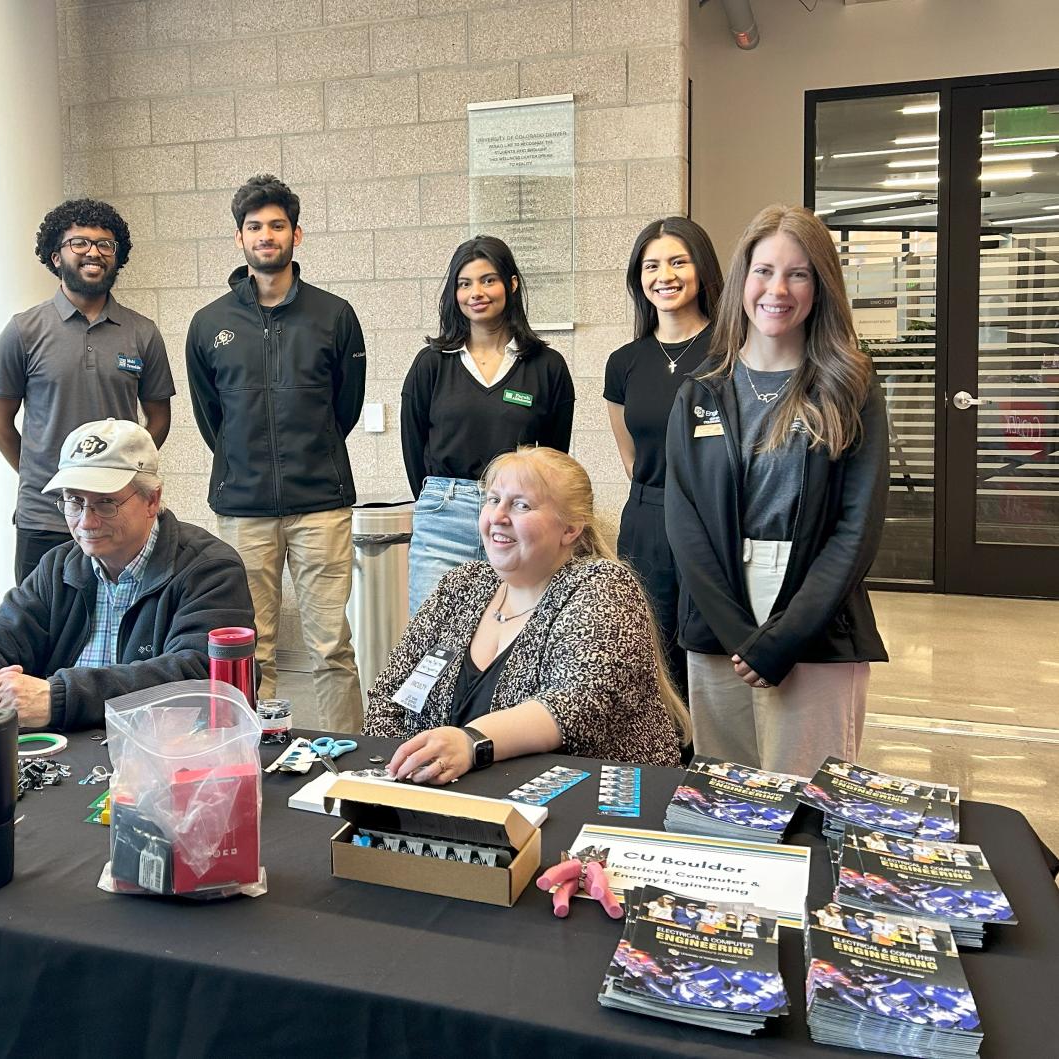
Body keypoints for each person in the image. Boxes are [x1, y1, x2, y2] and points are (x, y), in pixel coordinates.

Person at [664, 204, 889, 776]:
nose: (778, 289)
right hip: (719, 619)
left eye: (799, 273)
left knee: (810, 802)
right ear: (742, 279)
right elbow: (685, 523)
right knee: (726, 804)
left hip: (815, 617)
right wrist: (741, 636)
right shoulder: (700, 393)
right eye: (764, 270)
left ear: (821, 287)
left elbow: (855, 529)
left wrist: (783, 639)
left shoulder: (851, 387)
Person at [364, 447, 688, 784]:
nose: (498, 516)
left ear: (570, 529)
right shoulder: (462, 585)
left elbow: (575, 706)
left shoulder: (601, 586)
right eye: (492, 500)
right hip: (451, 809)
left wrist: (471, 741)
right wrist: (399, 777)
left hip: (593, 812)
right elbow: (389, 697)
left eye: (521, 505)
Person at [185, 174, 367, 732]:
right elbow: (209, 415)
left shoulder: (333, 316)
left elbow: (347, 407)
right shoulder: (209, 323)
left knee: (331, 646)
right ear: (240, 239)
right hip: (243, 509)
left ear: (297, 235)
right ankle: (249, 754)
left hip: (320, 504)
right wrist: (247, 465)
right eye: (255, 227)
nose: (267, 236)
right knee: (250, 649)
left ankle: (347, 760)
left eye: (277, 226)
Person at [0, 419, 253, 731]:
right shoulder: (59, 566)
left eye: (106, 503)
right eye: (74, 501)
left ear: (151, 500)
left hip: (164, 756)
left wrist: (59, 698)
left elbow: (201, 677)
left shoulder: (210, 569)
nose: (86, 522)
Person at [0, 198, 175, 583]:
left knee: (118, 625)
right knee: (42, 633)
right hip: (45, 517)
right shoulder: (23, 331)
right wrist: (42, 475)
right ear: (56, 256)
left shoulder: (142, 332)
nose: (94, 252)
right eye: (80, 243)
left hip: (119, 513)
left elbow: (158, 419)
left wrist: (128, 476)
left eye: (105, 244)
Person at [401, 235, 575, 613]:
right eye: (464, 284)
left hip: (520, 519)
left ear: (511, 285)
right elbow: (414, 448)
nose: (475, 292)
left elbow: (555, 456)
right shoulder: (431, 363)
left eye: (487, 280)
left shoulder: (547, 366)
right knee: (433, 642)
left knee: (513, 639)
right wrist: (444, 498)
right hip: (444, 517)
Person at [604, 217, 724, 695]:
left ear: (702, 270)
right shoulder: (624, 361)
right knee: (650, 651)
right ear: (639, 278)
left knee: (709, 650)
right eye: (651, 265)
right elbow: (631, 457)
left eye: (678, 261)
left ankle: (709, 756)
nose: (664, 276)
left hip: (716, 518)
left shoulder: (733, 350)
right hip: (648, 519)